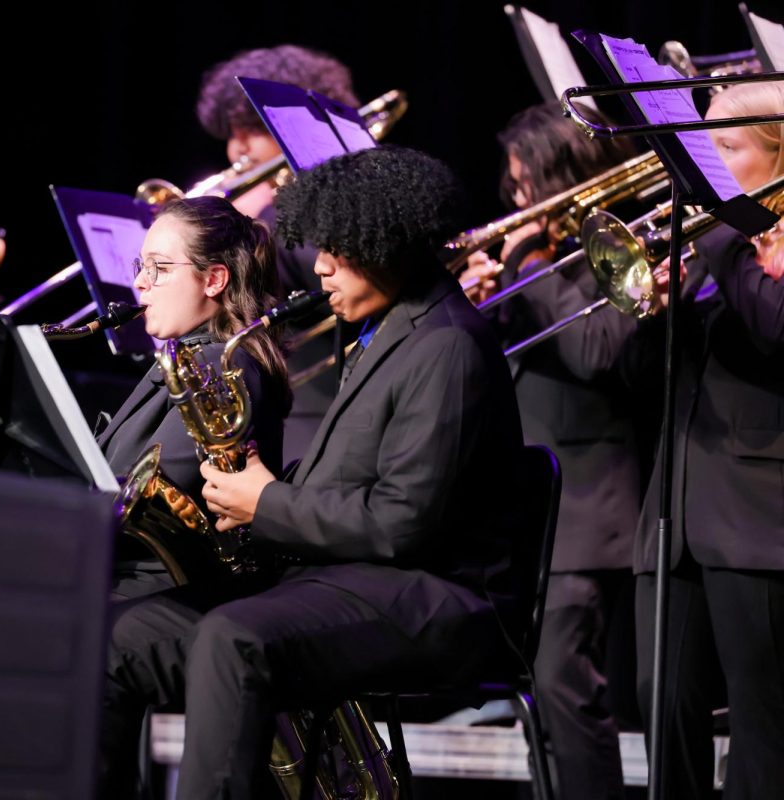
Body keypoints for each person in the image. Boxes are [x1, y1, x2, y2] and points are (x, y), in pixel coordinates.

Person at [99, 145, 525, 799]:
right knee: (114, 639)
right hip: (345, 574)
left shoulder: (448, 346)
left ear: (388, 243)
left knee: (233, 637)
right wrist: (251, 495)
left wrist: (267, 502)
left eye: (338, 249)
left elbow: (402, 523)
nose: (319, 266)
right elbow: (351, 479)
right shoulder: (384, 333)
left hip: (436, 598)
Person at [459, 101, 640, 800]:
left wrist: (529, 263)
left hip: (590, 512)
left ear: (567, 175)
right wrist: (486, 297)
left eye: (528, 182)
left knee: (569, 693)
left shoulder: (612, 247)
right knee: (540, 692)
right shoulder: (540, 263)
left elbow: (596, 351)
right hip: (528, 514)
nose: (520, 200)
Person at [626, 81, 784, 800]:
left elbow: (777, 327)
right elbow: (647, 381)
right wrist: (657, 310)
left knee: (764, 729)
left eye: (727, 148)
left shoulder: (754, 238)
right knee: (663, 701)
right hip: (677, 514)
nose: (708, 165)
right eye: (703, 148)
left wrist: (720, 232)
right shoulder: (724, 246)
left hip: (759, 519)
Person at [98, 195, 290, 600]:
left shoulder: (219, 371)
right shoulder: (194, 356)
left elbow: (141, 500)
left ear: (214, 280)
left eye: (160, 268)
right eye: (142, 266)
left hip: (154, 592)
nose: (139, 282)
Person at [196, 45, 361, 463]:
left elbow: (325, 269)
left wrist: (262, 219)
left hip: (318, 411)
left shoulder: (326, 203)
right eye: (231, 133)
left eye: (250, 129)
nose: (237, 149)